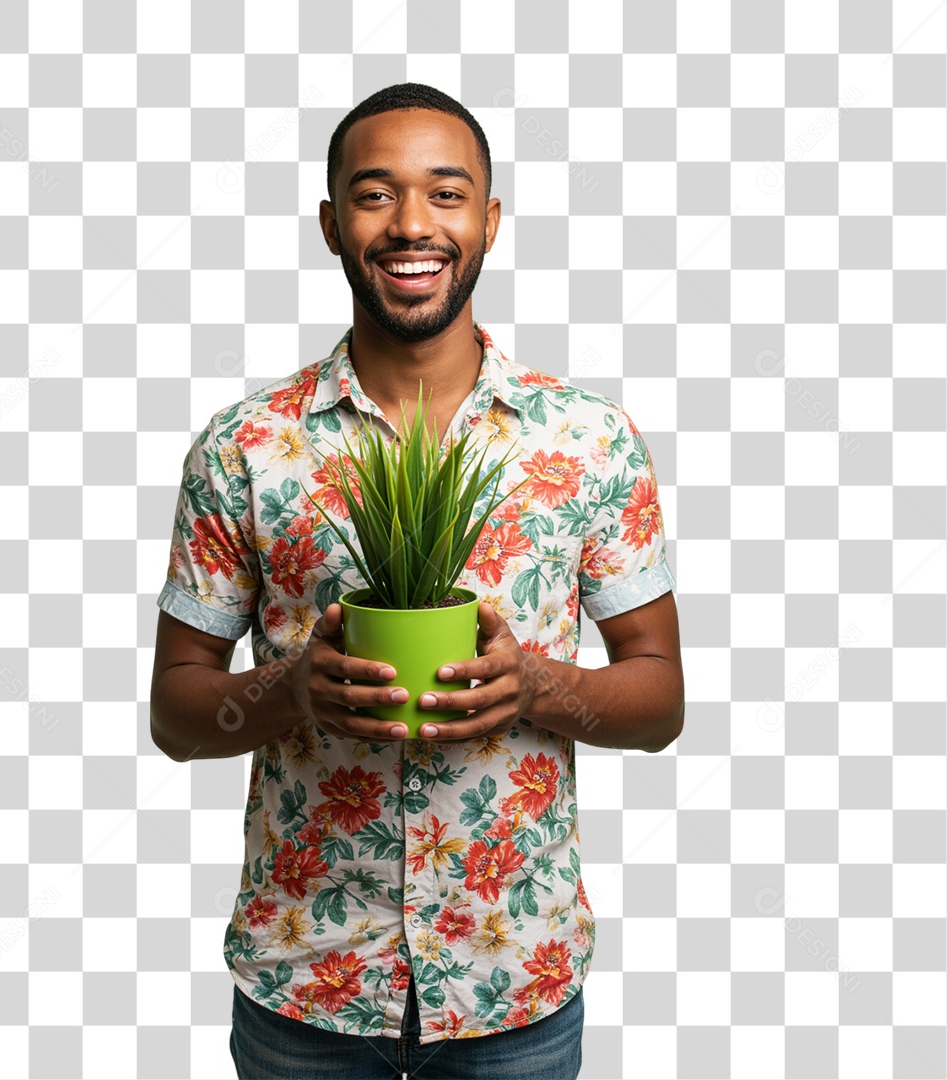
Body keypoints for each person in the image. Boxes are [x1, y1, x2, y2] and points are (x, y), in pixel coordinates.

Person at [151, 82, 683, 1080]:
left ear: (488, 220)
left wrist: (537, 685)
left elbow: (659, 700)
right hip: (304, 985)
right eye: (373, 194)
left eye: (446, 194)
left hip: (512, 987)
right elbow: (178, 717)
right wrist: (289, 690)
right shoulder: (247, 448)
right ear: (329, 223)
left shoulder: (587, 442)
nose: (409, 224)